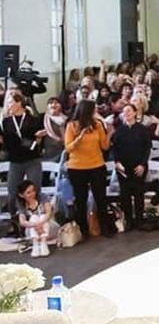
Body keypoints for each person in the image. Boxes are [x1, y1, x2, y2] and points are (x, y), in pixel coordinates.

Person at [64, 99, 115, 238]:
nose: (96, 113)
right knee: (81, 199)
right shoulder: (71, 126)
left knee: (101, 198)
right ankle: (83, 230)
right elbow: (68, 148)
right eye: (94, 110)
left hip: (96, 165)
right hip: (77, 167)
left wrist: (109, 133)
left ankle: (104, 228)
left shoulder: (97, 125)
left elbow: (104, 146)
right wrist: (80, 137)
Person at [1, 91, 46, 225]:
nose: (9, 105)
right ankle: (16, 222)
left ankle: (36, 219)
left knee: (34, 189)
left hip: (32, 159)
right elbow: (7, 143)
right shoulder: (6, 122)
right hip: (15, 161)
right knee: (12, 190)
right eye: (8, 102)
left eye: (11, 102)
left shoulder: (33, 120)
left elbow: (38, 140)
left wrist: (39, 138)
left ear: (19, 103)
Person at [112, 103, 152, 230]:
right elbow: (115, 148)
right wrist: (117, 162)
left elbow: (147, 148)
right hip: (123, 167)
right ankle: (128, 220)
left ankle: (139, 220)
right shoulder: (119, 130)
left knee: (138, 193)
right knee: (125, 194)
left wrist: (142, 164)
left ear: (135, 113)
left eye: (129, 111)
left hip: (138, 166)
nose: (126, 114)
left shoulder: (142, 129)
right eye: (124, 112)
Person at [16, 180, 54, 257]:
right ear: (21, 195)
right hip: (32, 232)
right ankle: (35, 244)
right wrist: (35, 225)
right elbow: (22, 222)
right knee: (33, 217)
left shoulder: (42, 196)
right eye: (28, 192)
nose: (32, 194)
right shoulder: (21, 204)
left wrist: (40, 223)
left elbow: (48, 213)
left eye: (33, 190)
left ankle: (43, 243)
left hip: (49, 227)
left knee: (43, 216)